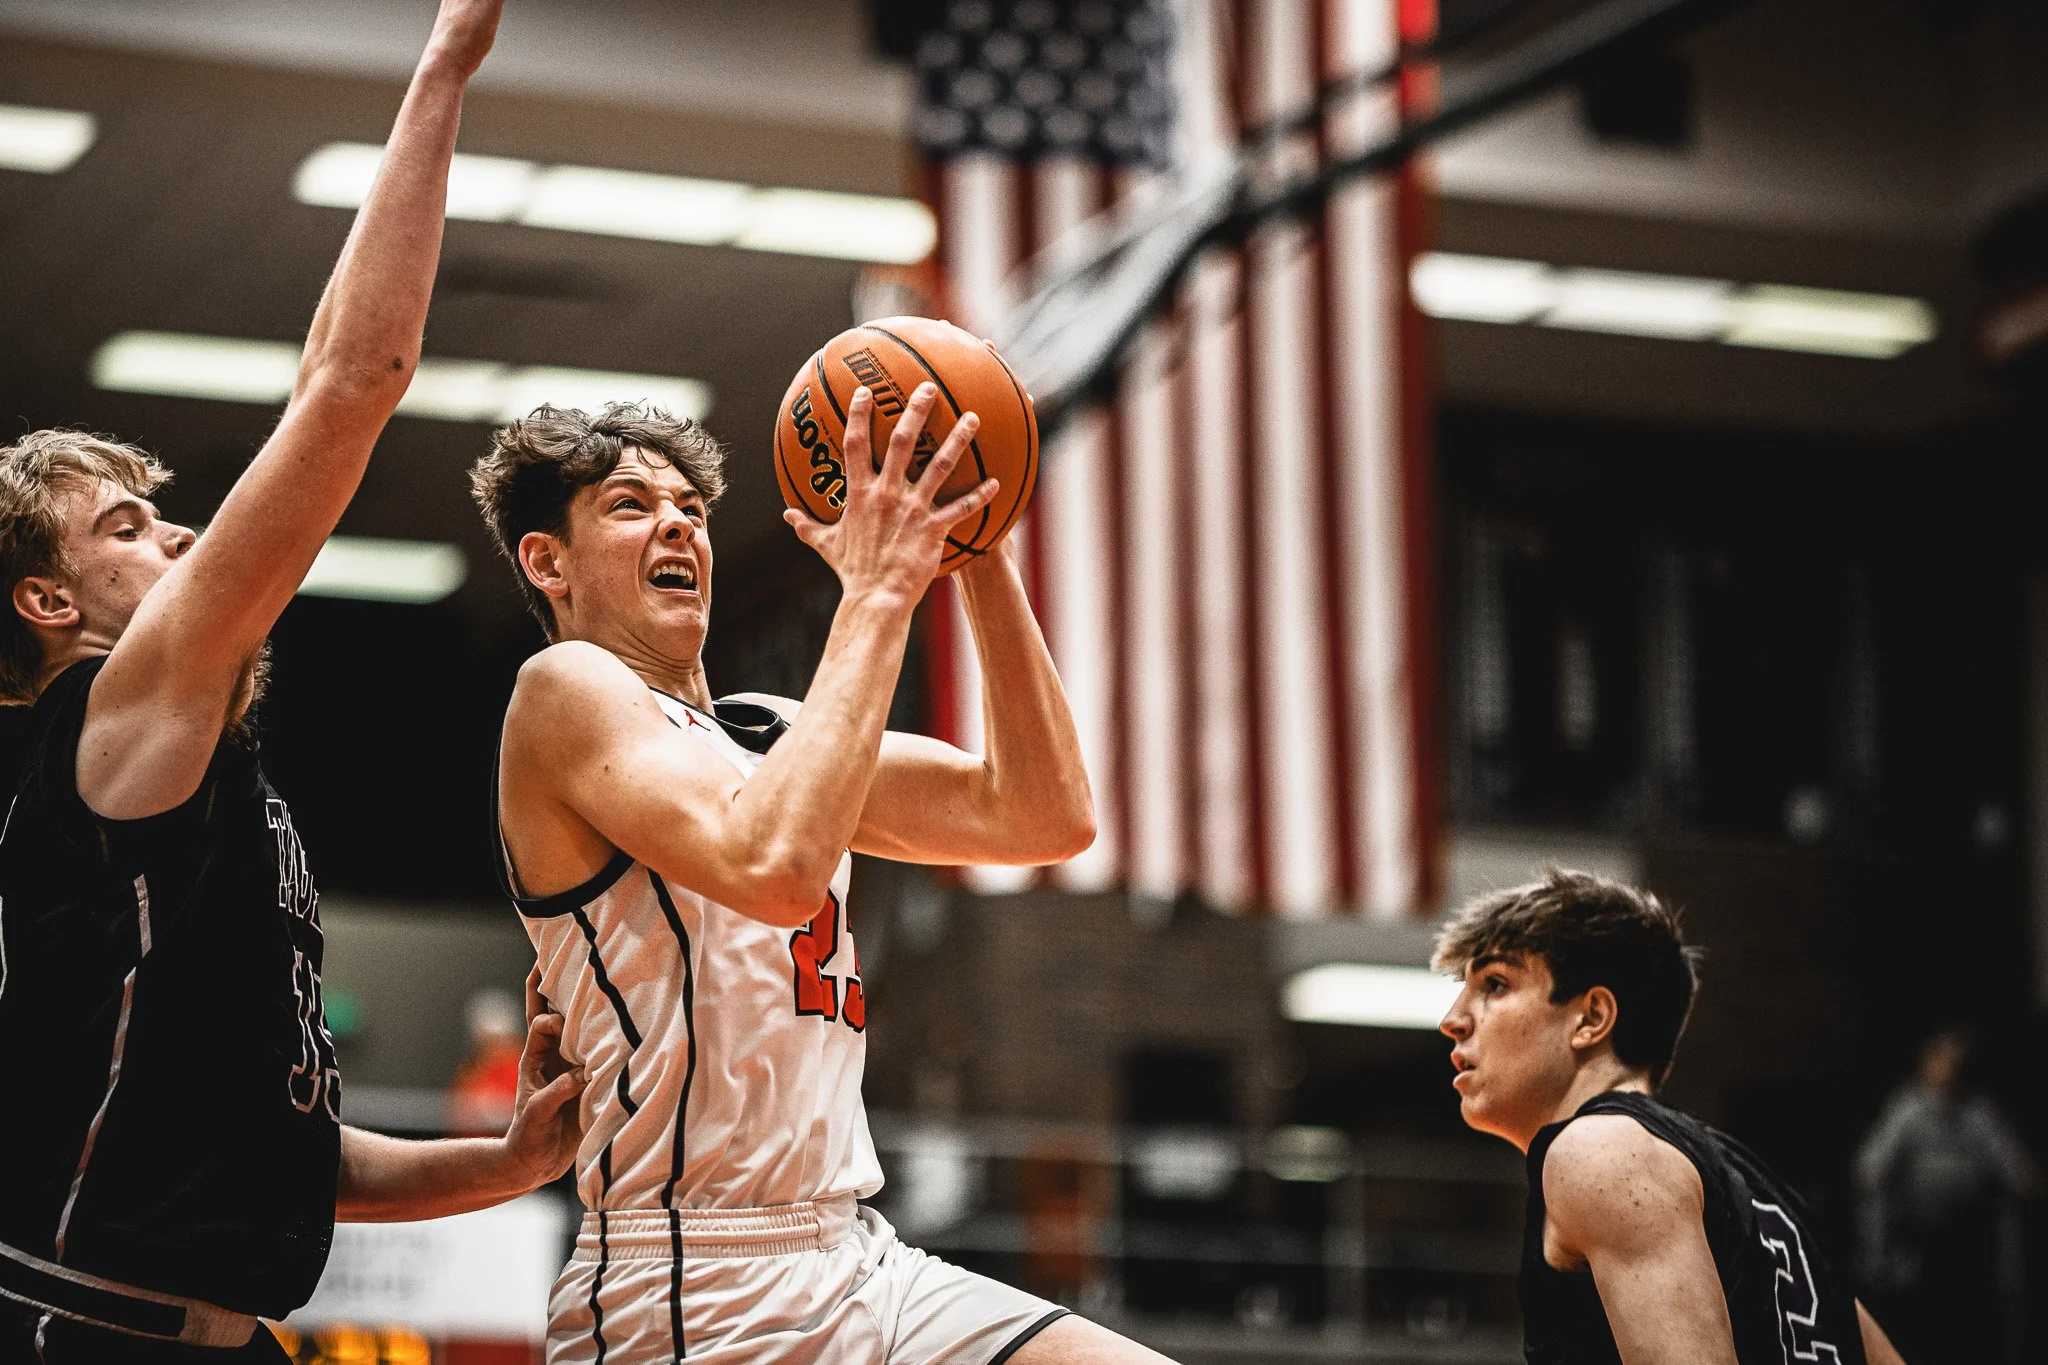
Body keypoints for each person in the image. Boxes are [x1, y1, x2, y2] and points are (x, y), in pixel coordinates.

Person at [0, 5, 583, 1361]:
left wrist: (504, 1162)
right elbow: (351, 379)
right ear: (49, 603)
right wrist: (444, 69)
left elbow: (280, 1148)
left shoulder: (203, 787)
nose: (183, 531)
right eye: (127, 529)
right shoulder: (104, 723)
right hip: (73, 1327)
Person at [470, 388, 1175, 1363]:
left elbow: (1042, 815)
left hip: (854, 1251)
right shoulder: (566, 693)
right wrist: (877, 593)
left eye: (692, 510)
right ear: (547, 562)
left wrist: (977, 556)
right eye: (631, 505)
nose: (677, 522)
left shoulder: (770, 732)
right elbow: (771, 870)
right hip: (692, 1281)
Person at [1433, 868, 1907, 1365]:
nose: (1453, 1019)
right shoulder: (1755, 1187)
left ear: (1592, 1018)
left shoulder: (1599, 1153)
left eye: (1495, 983)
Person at [1854, 1026, 2037, 1364]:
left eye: (1956, 1062)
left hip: (1971, 1236)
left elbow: (2019, 1172)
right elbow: (1869, 1167)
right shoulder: (1908, 1107)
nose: (1948, 1070)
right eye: (1941, 1060)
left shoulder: (1980, 1113)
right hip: (1918, 1233)